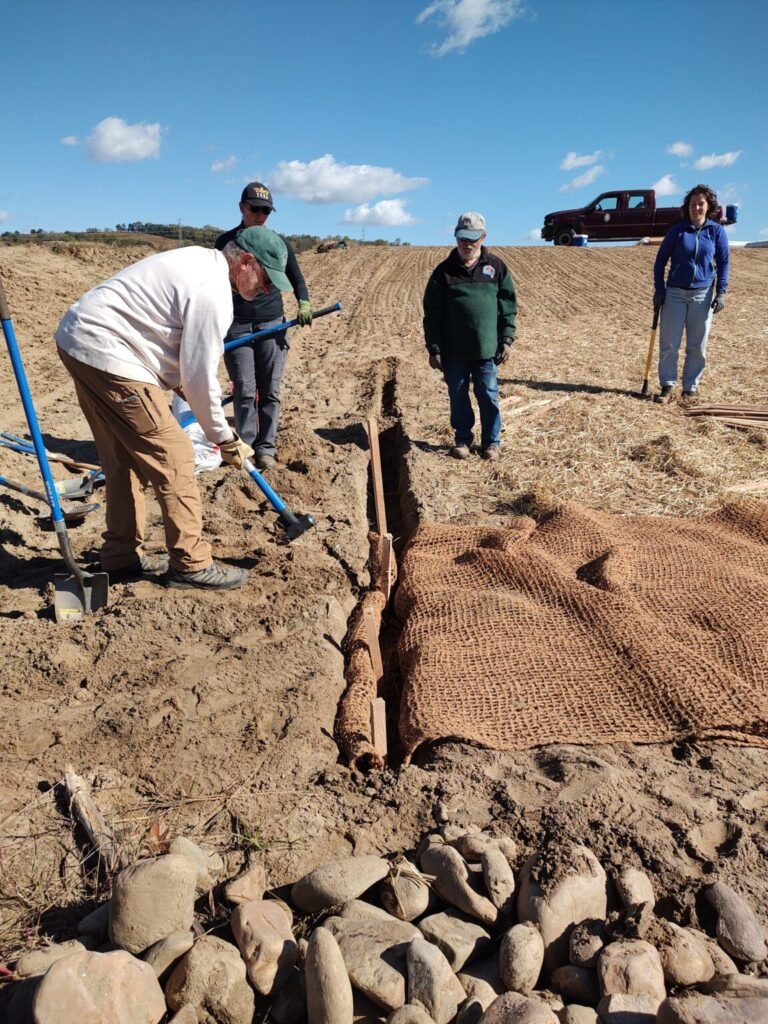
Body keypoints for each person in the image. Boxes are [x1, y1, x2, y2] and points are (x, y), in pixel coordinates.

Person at [55, 226, 292, 591]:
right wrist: (224, 438)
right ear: (246, 261)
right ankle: (191, 564)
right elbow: (198, 378)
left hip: (80, 341)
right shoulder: (212, 293)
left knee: (122, 458)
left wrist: (209, 412)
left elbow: (184, 366)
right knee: (176, 455)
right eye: (266, 280)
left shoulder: (200, 261)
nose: (267, 290)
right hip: (111, 354)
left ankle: (120, 557)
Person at [215, 182, 312, 469]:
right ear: (242, 207)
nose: (260, 215)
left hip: (271, 323)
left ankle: (266, 448)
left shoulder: (277, 244)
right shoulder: (227, 243)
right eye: (255, 209)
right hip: (237, 325)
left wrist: (303, 303)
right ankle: (245, 447)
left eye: (266, 211)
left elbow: (297, 278)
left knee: (270, 390)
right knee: (244, 389)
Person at [423, 211, 517, 461]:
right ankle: (463, 440)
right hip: (453, 351)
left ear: (483, 237)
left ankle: (491, 443)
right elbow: (432, 314)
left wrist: (507, 339)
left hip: (486, 349)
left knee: (488, 395)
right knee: (458, 396)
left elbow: (508, 306)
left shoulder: (496, 267)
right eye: (463, 238)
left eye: (473, 239)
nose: (467, 244)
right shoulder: (443, 272)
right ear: (456, 237)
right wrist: (434, 348)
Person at [652, 183, 729, 404]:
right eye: (693, 204)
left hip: (702, 295)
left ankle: (690, 389)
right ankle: (667, 386)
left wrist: (721, 292)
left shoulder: (716, 232)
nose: (696, 208)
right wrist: (660, 289)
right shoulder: (677, 231)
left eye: (700, 204)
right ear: (687, 207)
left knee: (697, 346)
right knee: (670, 344)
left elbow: (724, 263)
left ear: (708, 206)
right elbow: (660, 261)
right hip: (675, 294)